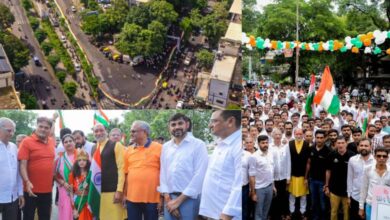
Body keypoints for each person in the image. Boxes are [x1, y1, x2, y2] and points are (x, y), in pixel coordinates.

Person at [159, 113, 209, 220]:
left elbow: (200, 175)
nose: (176, 127)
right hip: (169, 199)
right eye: (173, 124)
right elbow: (163, 173)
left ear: (187, 125)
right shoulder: (165, 147)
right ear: (169, 128)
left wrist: (178, 201)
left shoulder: (198, 145)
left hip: (189, 199)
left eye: (180, 123)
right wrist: (168, 199)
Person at [199, 110, 242, 220]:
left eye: (214, 121)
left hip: (226, 215)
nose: (210, 125)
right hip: (213, 212)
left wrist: (227, 213)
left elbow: (239, 184)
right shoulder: (221, 143)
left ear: (230, 121)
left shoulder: (238, 145)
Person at [18, 116, 57, 220]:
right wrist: (27, 181)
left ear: (49, 129)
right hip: (30, 190)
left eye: (46, 127)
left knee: (45, 217)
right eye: (41, 126)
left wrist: (54, 119)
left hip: (47, 190)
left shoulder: (51, 141)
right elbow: (22, 164)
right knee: (28, 217)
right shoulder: (26, 142)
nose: (43, 129)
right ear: (36, 126)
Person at [123, 121, 162, 220]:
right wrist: (124, 194)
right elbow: (126, 174)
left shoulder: (159, 148)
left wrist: (161, 198)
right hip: (132, 198)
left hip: (152, 199)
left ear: (144, 132)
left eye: (133, 131)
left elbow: (164, 174)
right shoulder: (128, 150)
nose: (131, 134)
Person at [90, 124, 125, 220]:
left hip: (112, 192)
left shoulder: (116, 145)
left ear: (106, 131)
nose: (99, 133)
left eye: (101, 130)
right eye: (96, 131)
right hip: (97, 192)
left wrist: (119, 190)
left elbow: (121, 168)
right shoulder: (93, 148)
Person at [325, 136, 356, 220]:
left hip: (348, 191)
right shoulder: (331, 155)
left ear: (346, 143)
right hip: (334, 189)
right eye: (338, 143)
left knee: (346, 213)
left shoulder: (352, 156)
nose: (340, 145)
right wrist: (327, 186)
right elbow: (328, 171)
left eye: (342, 143)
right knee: (334, 211)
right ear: (335, 144)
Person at [0, 117, 24, 220]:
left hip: (12, 197)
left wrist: (20, 193)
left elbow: (17, 173)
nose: (11, 133)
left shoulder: (14, 147)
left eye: (13, 130)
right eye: (9, 130)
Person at [305, 129, 330, 220]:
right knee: (314, 202)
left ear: (325, 138)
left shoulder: (328, 151)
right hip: (312, 180)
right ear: (315, 138)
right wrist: (306, 178)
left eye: (321, 138)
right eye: (317, 138)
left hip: (322, 182)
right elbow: (308, 163)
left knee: (323, 204)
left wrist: (327, 184)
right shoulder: (311, 148)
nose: (319, 140)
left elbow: (328, 170)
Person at [359, 147, 390, 220]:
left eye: (384, 156)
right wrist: (361, 207)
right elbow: (364, 188)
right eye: (379, 156)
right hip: (370, 205)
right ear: (375, 157)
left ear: (387, 157)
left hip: (387, 205)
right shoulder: (368, 169)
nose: (381, 158)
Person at [347, 138, 374, 220]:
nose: (363, 147)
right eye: (361, 145)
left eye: (366, 146)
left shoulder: (376, 161)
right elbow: (350, 178)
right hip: (355, 197)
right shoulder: (352, 160)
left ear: (371, 147)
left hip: (370, 199)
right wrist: (349, 196)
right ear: (358, 147)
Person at [249, 135, 275, 220]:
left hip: (270, 187)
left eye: (266, 142)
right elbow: (252, 176)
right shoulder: (254, 156)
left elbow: (271, 171)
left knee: (266, 212)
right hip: (259, 189)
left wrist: (273, 186)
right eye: (263, 143)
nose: (265, 144)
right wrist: (253, 193)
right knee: (258, 213)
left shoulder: (270, 153)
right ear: (258, 144)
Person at [288, 128, 310, 218]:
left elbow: (308, 162)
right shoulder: (290, 144)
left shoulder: (307, 144)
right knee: (292, 195)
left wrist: (306, 177)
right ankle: (291, 211)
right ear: (294, 134)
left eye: (300, 134)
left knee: (303, 195)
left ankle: (303, 212)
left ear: (303, 135)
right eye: (297, 134)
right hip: (292, 174)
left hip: (303, 175)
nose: (299, 136)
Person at [54, 134, 78, 220]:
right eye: (65, 142)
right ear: (63, 144)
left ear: (74, 142)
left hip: (79, 190)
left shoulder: (82, 155)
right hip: (65, 189)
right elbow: (54, 174)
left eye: (70, 141)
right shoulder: (59, 157)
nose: (68, 143)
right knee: (66, 213)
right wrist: (63, 183)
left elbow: (87, 173)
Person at [270, 128, 290, 220]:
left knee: (283, 196)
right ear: (272, 136)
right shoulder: (270, 147)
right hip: (272, 177)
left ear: (282, 136)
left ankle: (283, 214)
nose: (278, 136)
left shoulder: (285, 147)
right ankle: (274, 215)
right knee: (274, 197)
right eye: (276, 134)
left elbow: (288, 162)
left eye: (279, 134)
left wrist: (288, 177)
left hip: (283, 177)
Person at [68, 150, 92, 220]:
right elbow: (71, 192)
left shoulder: (90, 174)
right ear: (77, 162)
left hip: (87, 202)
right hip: (77, 201)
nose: (81, 162)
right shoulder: (72, 174)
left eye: (84, 160)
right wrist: (73, 209)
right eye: (79, 160)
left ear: (87, 161)